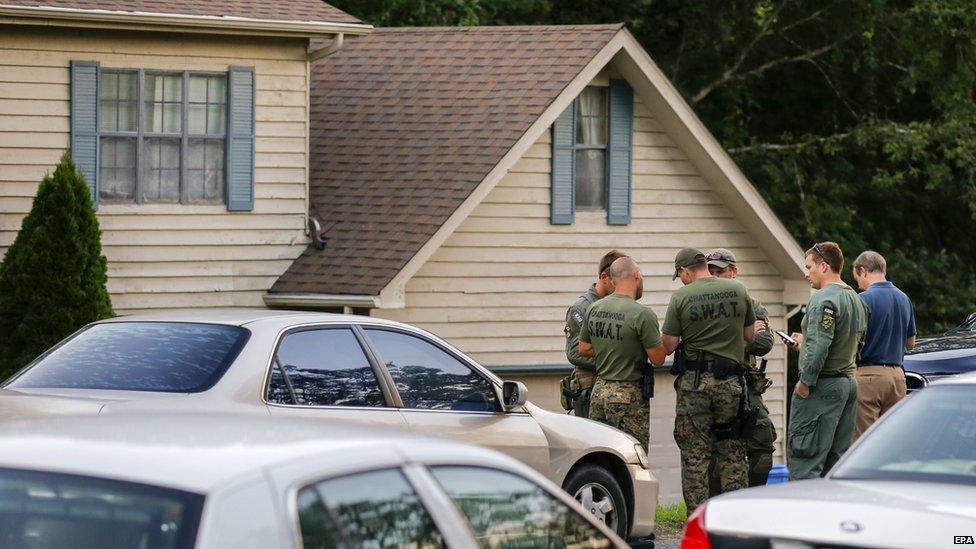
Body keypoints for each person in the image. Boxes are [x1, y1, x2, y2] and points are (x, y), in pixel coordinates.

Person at [661, 248, 756, 514]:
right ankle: (734, 523)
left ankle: (698, 523)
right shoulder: (738, 290)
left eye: (680, 275)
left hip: (695, 384)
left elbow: (668, 345)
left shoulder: (681, 297)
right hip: (732, 385)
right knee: (733, 452)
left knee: (695, 456)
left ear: (685, 270)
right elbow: (750, 335)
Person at [786, 242, 868, 480]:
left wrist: (805, 381)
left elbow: (821, 345)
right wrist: (806, 342)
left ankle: (804, 515)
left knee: (806, 459)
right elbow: (856, 340)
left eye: (809, 266)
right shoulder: (855, 299)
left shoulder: (823, 300)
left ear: (824, 266)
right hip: (848, 383)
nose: (805, 272)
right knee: (837, 461)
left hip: (822, 385)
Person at [705, 248, 777, 491]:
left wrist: (725, 336)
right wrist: (742, 333)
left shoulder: (752, 304)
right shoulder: (702, 305)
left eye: (720, 271)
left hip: (746, 384)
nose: (715, 276)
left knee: (762, 443)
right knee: (714, 450)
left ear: (734, 272)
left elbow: (765, 343)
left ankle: (751, 497)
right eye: (711, 272)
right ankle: (715, 500)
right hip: (711, 384)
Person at [579, 256, 666, 448]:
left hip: (599, 392)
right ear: (636, 275)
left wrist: (609, 347)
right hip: (628, 396)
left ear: (612, 279)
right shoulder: (642, 314)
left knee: (602, 453)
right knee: (633, 456)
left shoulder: (594, 308)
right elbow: (658, 358)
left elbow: (583, 348)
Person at [852, 250, 916, 438]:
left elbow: (851, 341)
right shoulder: (904, 298)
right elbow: (911, 343)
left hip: (868, 376)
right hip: (898, 377)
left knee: (864, 441)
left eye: (857, 278)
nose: (859, 285)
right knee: (892, 439)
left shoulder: (863, 299)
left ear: (863, 271)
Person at [563, 250, 628, 418]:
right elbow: (575, 352)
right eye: (617, 278)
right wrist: (614, 363)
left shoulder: (619, 305)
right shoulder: (582, 308)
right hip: (590, 388)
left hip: (617, 390)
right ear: (604, 276)